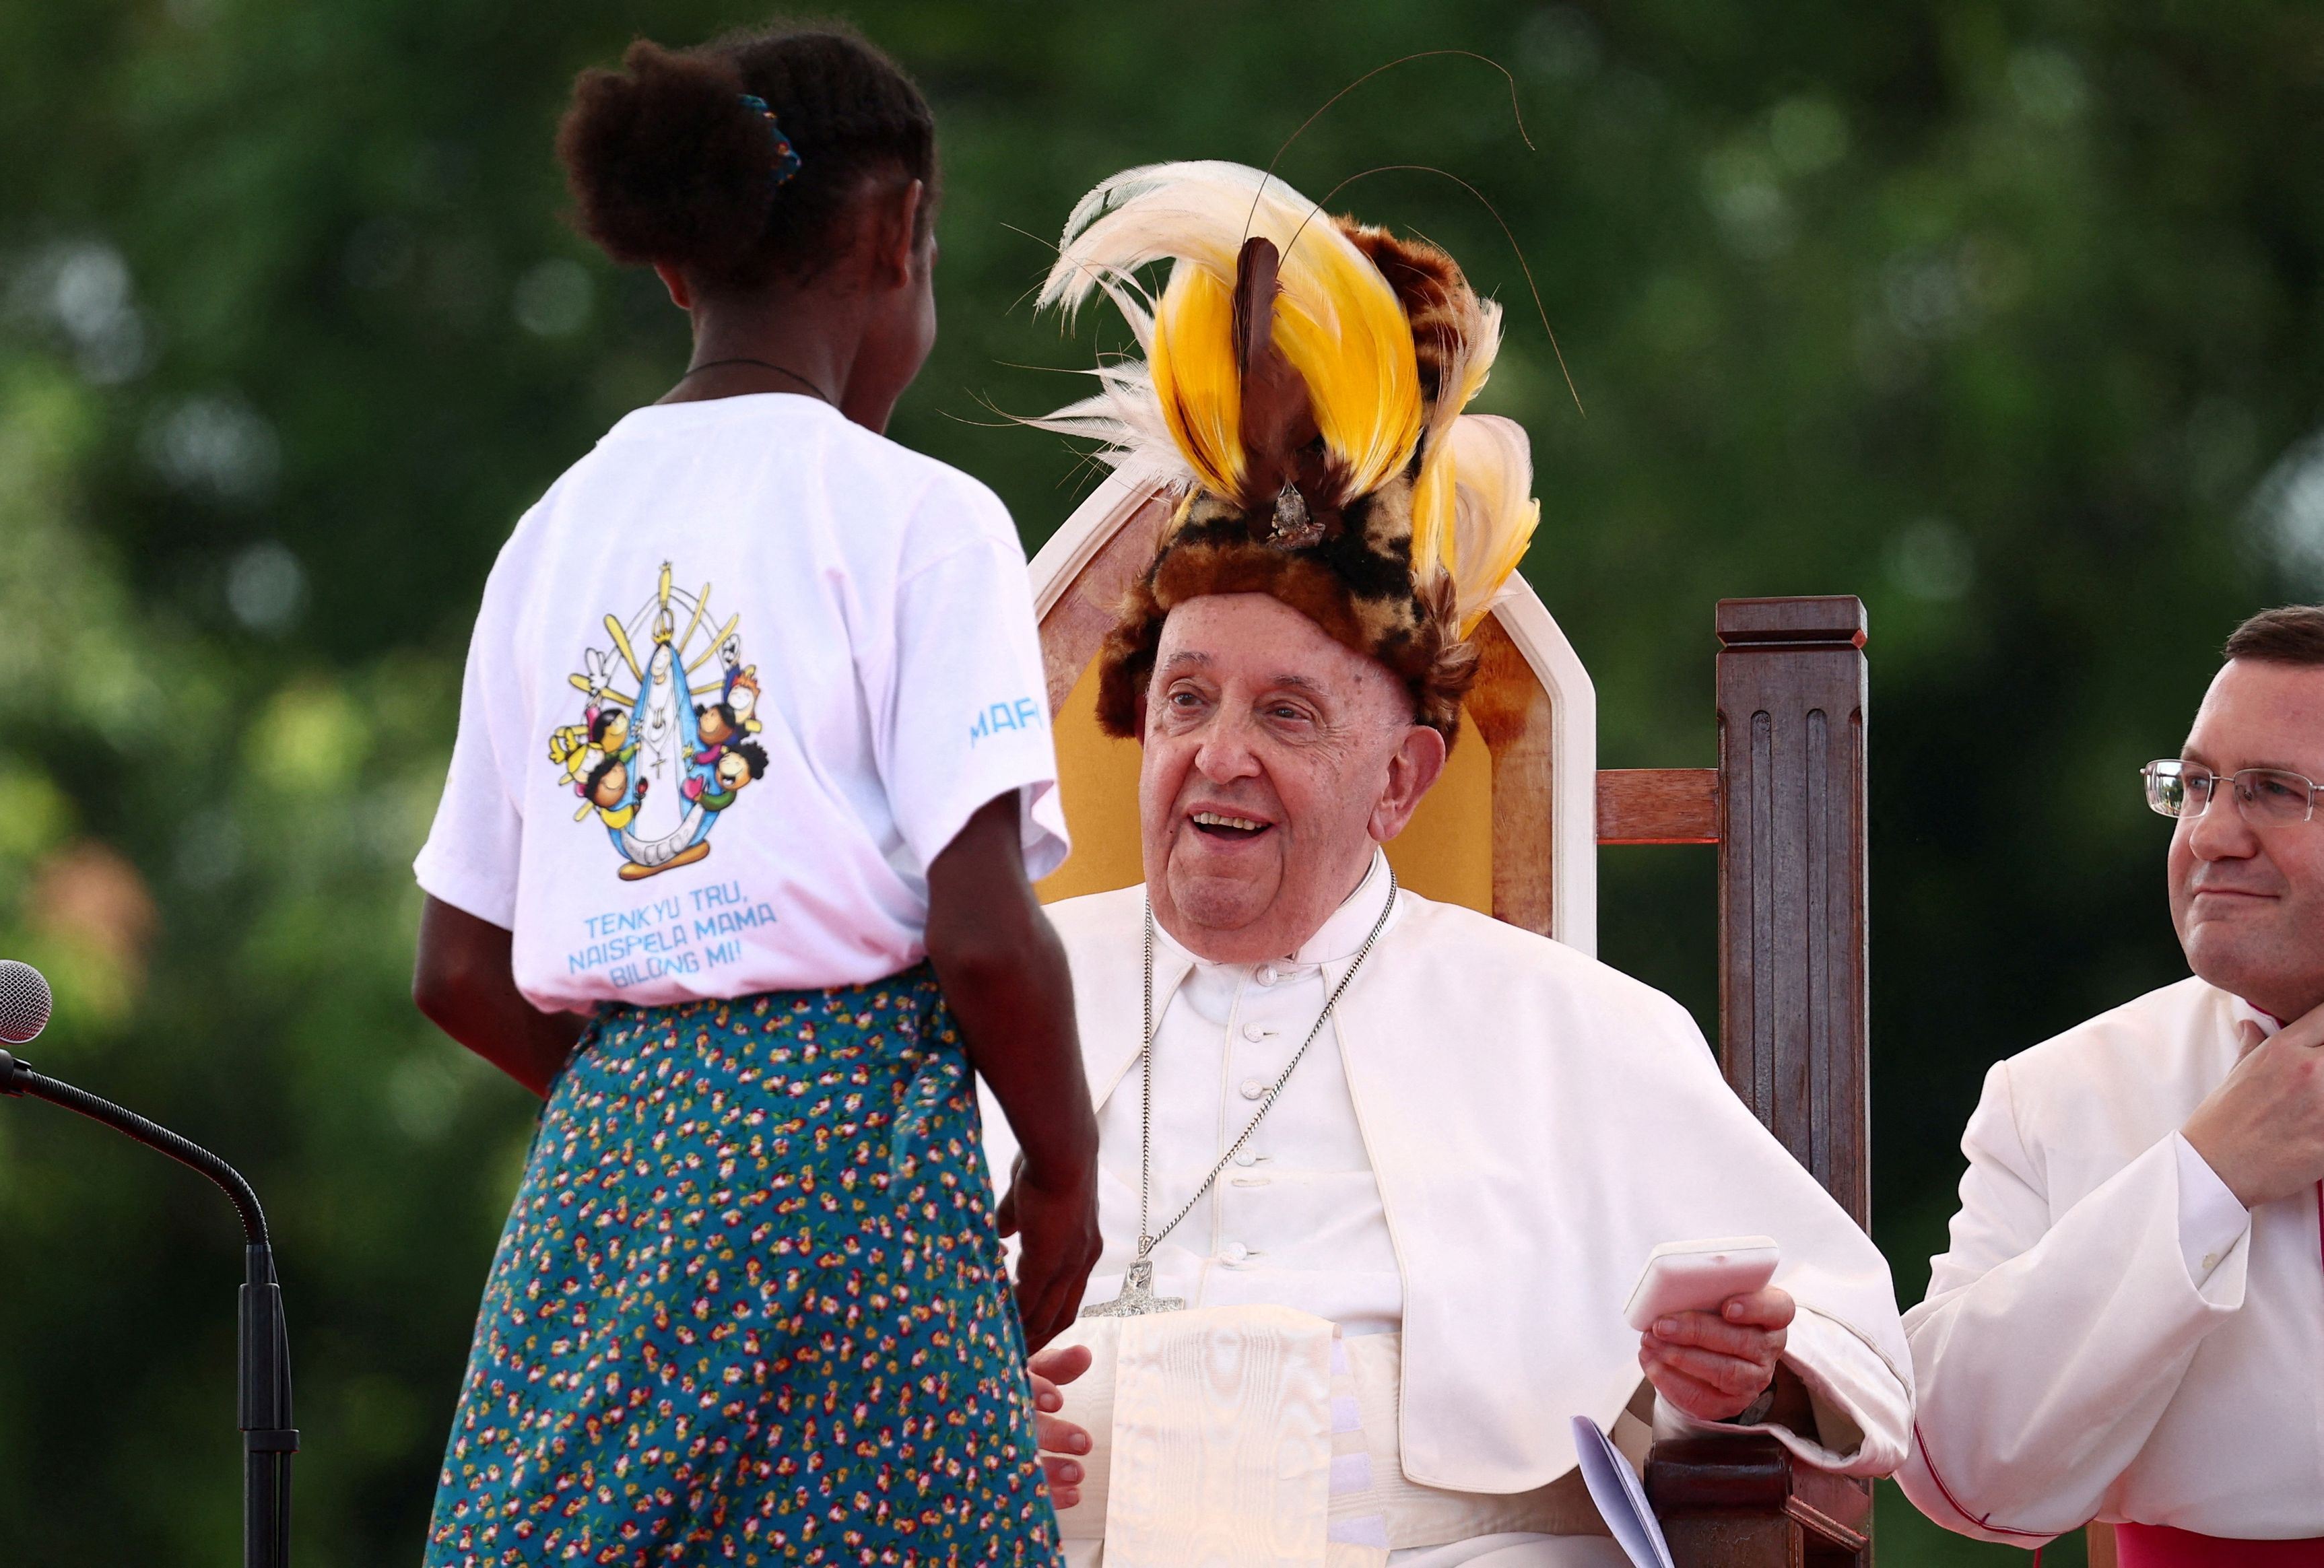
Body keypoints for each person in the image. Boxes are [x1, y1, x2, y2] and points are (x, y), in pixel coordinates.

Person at [983, 161, 1913, 1567]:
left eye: (1285, 714)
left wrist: (1743, 1374)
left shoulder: (1571, 1028)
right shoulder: (979, 1007)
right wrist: (942, 1413)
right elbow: (811, 1329)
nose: (1218, 755)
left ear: (1402, 779)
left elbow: (1849, 1340)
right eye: (1186, 700)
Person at [407, 25, 1099, 1565]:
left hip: (604, 1172)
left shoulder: (552, 530)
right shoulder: (922, 516)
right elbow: (985, 936)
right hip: (859, 1165)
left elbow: (456, 967)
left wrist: (670, 1106)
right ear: (896, 233)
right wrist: (1061, 1171)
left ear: (674, 269)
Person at [1897, 605, 2324, 1563]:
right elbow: (1953, 1462)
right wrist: (2206, 1177)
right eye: (2200, 786)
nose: (2212, 834)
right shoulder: (2057, 1095)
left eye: (2272, 791)